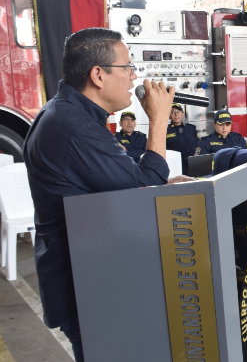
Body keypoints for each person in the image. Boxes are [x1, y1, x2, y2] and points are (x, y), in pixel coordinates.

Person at [23, 28, 179, 362]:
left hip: (88, 278)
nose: (133, 77)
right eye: (127, 67)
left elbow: (116, 183)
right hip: (88, 288)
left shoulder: (64, 114)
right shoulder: (75, 127)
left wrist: (159, 182)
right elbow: (142, 188)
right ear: (98, 74)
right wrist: (159, 121)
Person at [166, 103, 199, 173]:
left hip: (191, 164)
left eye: (178, 112)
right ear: (169, 115)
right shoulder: (165, 130)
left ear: (182, 114)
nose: (176, 114)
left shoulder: (191, 128)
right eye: (172, 112)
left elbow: (199, 145)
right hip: (173, 166)